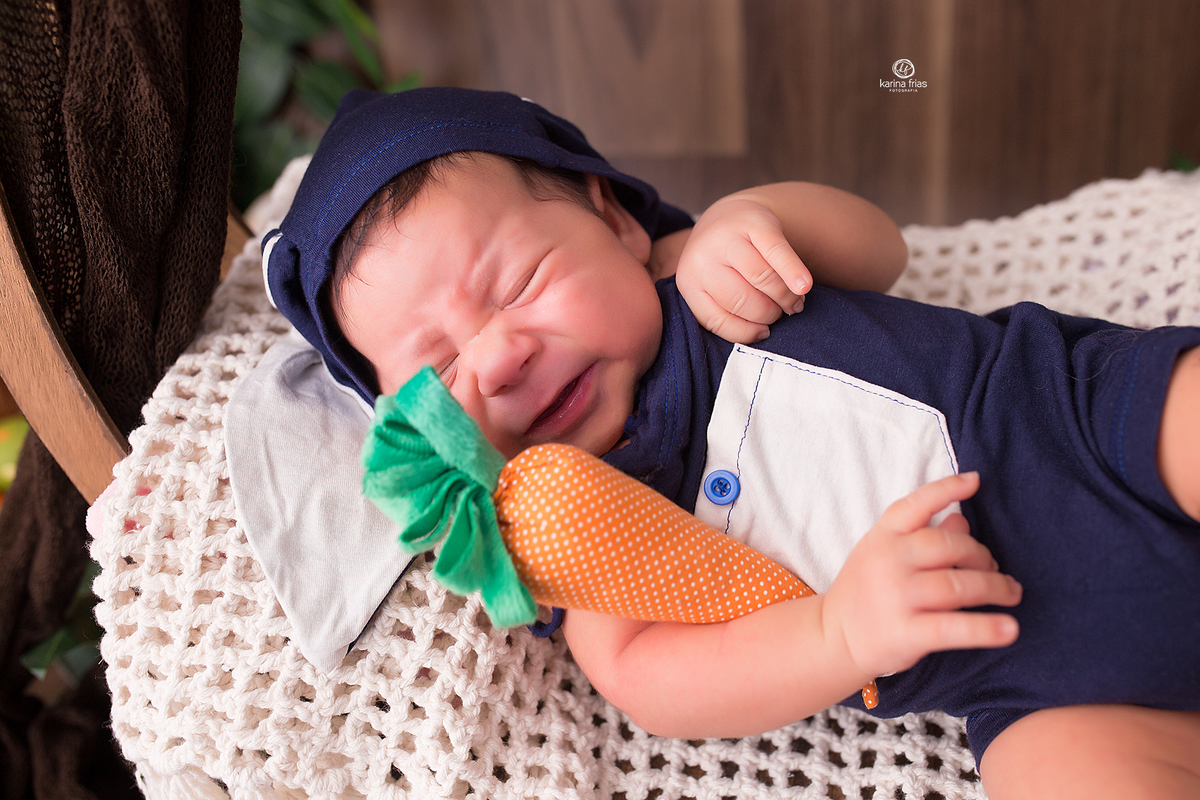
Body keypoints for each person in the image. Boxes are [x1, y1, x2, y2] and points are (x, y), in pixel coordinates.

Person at [263, 87, 1200, 799]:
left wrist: (755, 223)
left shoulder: (696, 276)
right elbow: (650, 681)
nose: (501, 359)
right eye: (440, 371)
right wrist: (837, 635)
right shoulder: (585, 529)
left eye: (520, 285)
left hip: (1087, 423)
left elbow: (878, 250)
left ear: (614, 219)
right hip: (1032, 675)